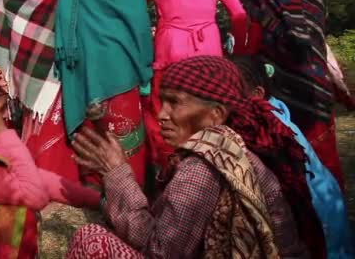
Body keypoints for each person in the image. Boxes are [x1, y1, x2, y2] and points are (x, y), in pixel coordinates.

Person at [67, 56, 322, 259]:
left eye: (175, 103)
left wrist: (117, 173)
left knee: (92, 240)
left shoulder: (203, 167)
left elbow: (161, 251)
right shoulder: (234, 149)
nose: (162, 115)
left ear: (216, 115)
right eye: (163, 102)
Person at [234, 0, 345, 189]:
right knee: (324, 162)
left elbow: (265, 35)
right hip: (316, 85)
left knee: (290, 162)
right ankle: (332, 220)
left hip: (282, 87)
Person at [0, 63, 100, 258]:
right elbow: (35, 195)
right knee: (17, 218)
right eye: (2, 107)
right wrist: (2, 133)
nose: (5, 115)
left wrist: (93, 200)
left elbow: (36, 177)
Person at [54, 0, 154, 188]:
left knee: (93, 127)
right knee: (125, 133)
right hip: (123, 63)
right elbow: (140, 25)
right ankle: (131, 191)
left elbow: (63, 22)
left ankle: (96, 189)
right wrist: (145, 65)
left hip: (86, 68)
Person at [142, 0, 248, 168]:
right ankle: (212, 168)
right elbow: (239, 14)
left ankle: (171, 172)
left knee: (166, 116)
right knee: (209, 114)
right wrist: (240, 55)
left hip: (171, 52)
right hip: (210, 53)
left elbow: (138, 0)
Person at [232, 55, 355, 258]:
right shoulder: (274, 109)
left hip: (320, 226)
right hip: (329, 212)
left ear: (257, 94)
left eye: (229, 94)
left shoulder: (270, 132)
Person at [0, 0, 67, 178]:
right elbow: (59, 16)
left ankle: (30, 161)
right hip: (47, 53)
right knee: (46, 109)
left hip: (18, 55)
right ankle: (50, 166)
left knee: (30, 113)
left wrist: (1, 69)